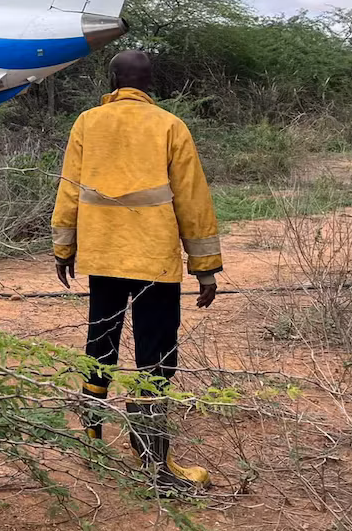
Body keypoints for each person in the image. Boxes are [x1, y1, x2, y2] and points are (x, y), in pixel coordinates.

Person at [51, 50, 222, 490]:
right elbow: (192, 198)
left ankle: (91, 439)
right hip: (154, 260)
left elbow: (70, 189)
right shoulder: (169, 125)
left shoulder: (87, 122)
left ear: (111, 80)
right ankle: (153, 458)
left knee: (100, 342)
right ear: (150, 82)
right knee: (156, 352)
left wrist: (63, 248)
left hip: (102, 256)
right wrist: (204, 268)